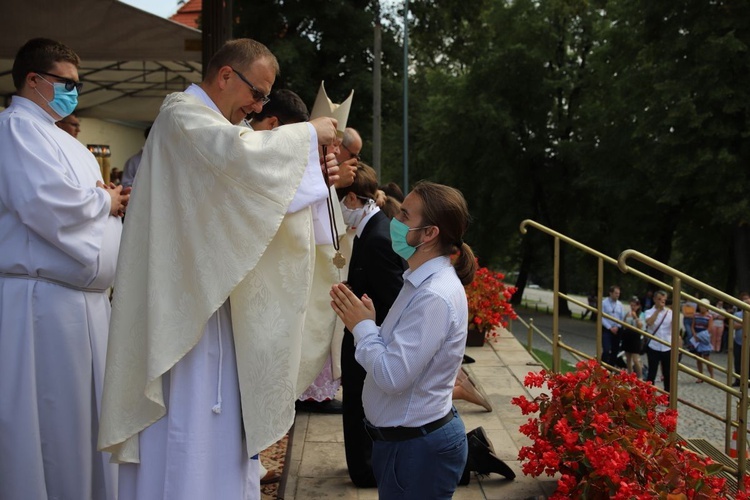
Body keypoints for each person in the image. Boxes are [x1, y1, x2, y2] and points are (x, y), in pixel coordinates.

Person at [98, 38, 339, 500]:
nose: (257, 106)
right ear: (226, 75)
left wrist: (311, 176)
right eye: (257, 92)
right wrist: (308, 137)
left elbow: (245, 200)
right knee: (183, 428)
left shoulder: (210, 125)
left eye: (265, 97)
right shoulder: (182, 117)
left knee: (218, 432)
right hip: (182, 309)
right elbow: (241, 158)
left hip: (215, 300)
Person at [0, 37, 128, 500]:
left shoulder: (55, 135)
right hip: (41, 304)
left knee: (85, 423)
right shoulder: (16, 129)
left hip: (83, 306)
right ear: (33, 80)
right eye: (66, 83)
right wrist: (105, 201)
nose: (75, 92)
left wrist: (108, 205)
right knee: (52, 426)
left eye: (78, 83)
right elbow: (43, 203)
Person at [330, 181, 476, 498]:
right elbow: (403, 351)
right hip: (406, 443)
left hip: (416, 449)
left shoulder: (434, 294)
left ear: (429, 233)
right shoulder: (419, 280)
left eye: (405, 216)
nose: (394, 220)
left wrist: (363, 328)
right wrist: (371, 324)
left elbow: (393, 374)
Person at [335, 162, 406, 486]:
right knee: (357, 403)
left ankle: (365, 470)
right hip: (363, 333)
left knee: (360, 405)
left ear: (351, 200)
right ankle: (364, 465)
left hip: (370, 337)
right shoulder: (371, 229)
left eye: (339, 202)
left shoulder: (377, 236)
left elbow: (393, 300)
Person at [644, 290, 674, 391]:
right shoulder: (649, 312)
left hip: (667, 346)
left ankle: (668, 398)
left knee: (667, 373)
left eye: (664, 299)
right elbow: (649, 323)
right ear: (654, 300)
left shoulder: (670, 313)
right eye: (659, 299)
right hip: (654, 346)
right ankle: (648, 397)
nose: (662, 301)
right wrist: (658, 310)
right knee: (652, 372)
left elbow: (675, 329)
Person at [690, 298, 714, 381]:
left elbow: (710, 328)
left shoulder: (709, 316)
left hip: (704, 338)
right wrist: (694, 334)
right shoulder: (696, 315)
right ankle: (700, 375)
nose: (702, 308)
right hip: (696, 338)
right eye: (701, 306)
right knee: (698, 358)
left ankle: (711, 375)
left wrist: (700, 336)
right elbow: (692, 326)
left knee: (706, 357)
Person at [622, 296, 645, 379]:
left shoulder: (641, 314)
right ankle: (630, 375)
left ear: (638, 306)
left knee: (635, 359)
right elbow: (623, 325)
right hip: (628, 336)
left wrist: (635, 317)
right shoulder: (628, 313)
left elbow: (641, 326)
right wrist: (626, 317)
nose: (633, 307)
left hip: (636, 337)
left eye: (634, 305)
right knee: (628, 359)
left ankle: (640, 377)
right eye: (631, 305)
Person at [601, 285, 624, 367]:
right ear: (610, 293)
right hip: (607, 329)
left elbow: (621, 318)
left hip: (617, 330)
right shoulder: (604, 303)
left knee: (615, 350)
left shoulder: (620, 304)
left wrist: (617, 326)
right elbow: (601, 317)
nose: (617, 295)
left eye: (618, 293)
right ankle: (602, 366)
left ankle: (610, 368)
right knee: (606, 349)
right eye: (616, 293)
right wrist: (610, 328)